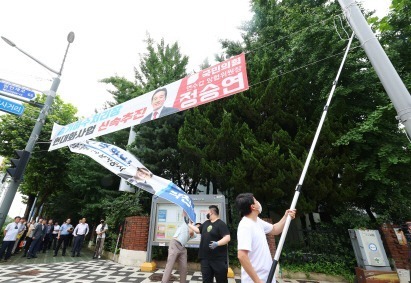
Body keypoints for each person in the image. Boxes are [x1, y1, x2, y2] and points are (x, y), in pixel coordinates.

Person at [235, 193, 296, 283]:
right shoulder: (245, 225)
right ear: (253, 207)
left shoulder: (257, 221)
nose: (258, 202)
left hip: (267, 277)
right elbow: (242, 255)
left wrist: (286, 217)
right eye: (256, 200)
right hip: (255, 280)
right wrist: (257, 281)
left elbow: (275, 229)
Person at [188, 205, 231, 283]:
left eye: (208, 212)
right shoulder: (206, 223)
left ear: (211, 212)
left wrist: (217, 243)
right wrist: (189, 224)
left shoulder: (221, 224)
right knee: (206, 280)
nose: (207, 214)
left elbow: (227, 238)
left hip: (218, 259)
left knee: (221, 280)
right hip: (205, 258)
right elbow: (198, 230)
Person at [161, 211, 196, 283]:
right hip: (175, 243)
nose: (197, 226)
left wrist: (191, 225)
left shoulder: (194, 232)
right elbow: (185, 213)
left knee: (184, 267)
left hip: (182, 248)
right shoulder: (185, 222)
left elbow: (191, 232)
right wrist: (188, 213)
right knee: (170, 265)